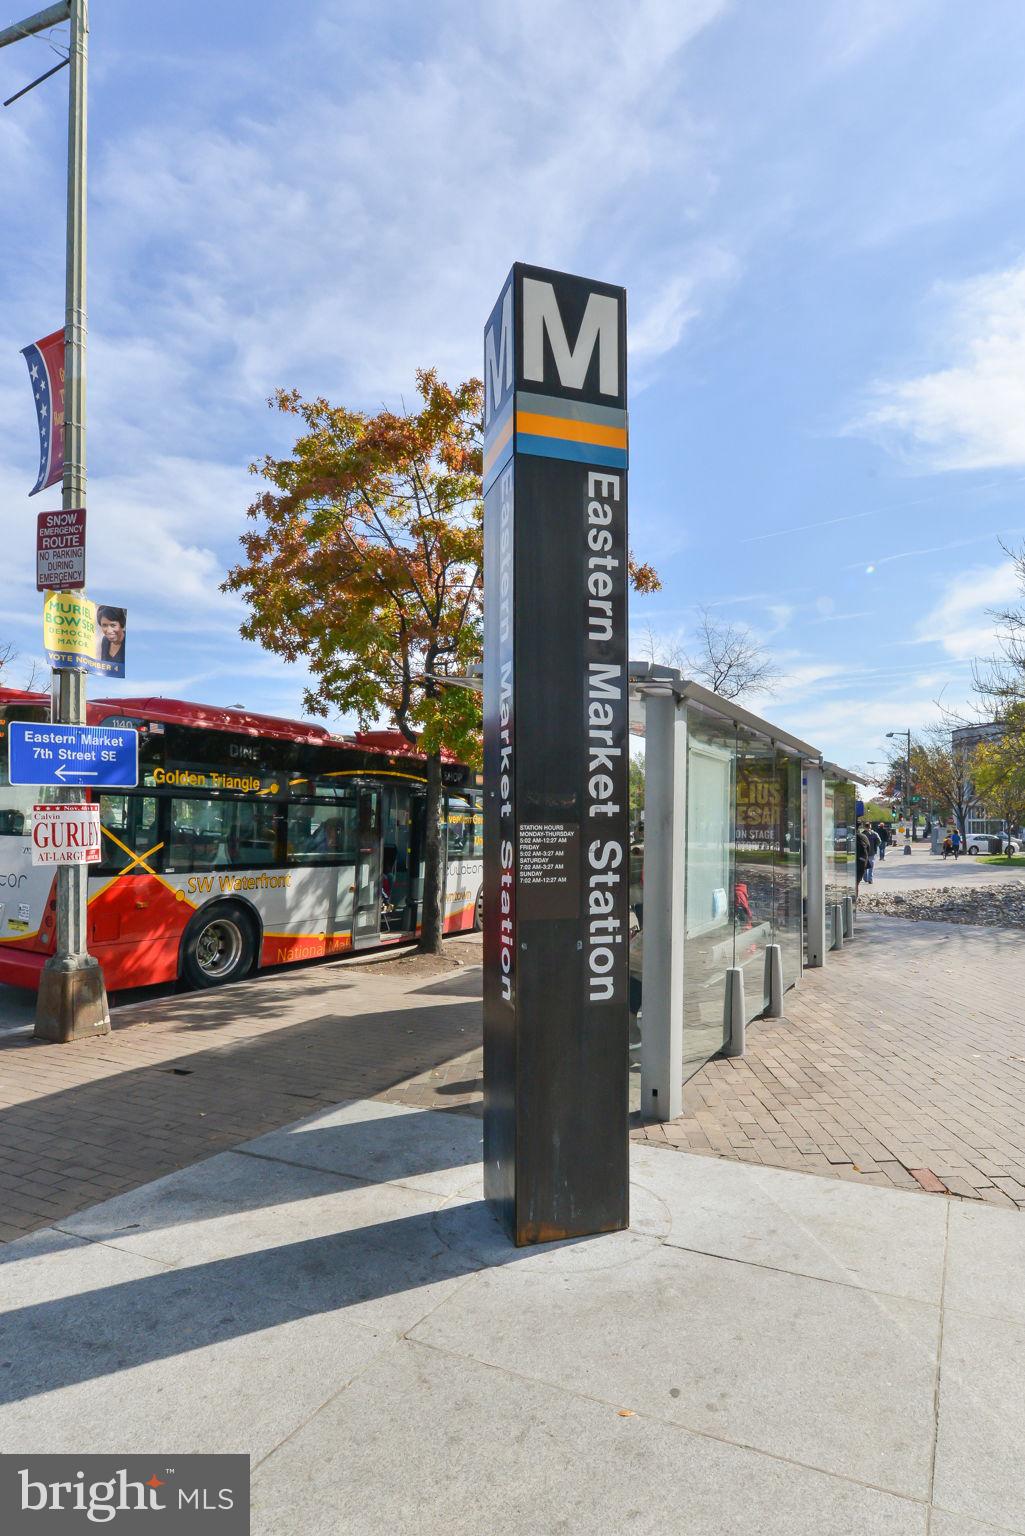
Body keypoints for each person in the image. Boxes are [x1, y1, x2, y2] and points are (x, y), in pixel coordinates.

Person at [855, 820, 871, 892]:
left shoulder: (850, 836)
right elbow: (868, 848)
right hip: (862, 861)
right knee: (857, 882)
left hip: (852, 861)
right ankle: (855, 896)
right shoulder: (863, 836)